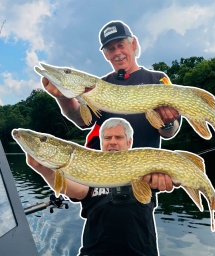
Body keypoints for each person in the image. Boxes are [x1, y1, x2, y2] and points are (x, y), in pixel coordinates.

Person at [28, 20, 181, 254]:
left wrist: (168, 120)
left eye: (121, 45)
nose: (117, 52)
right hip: (101, 183)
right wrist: (62, 96)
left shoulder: (157, 79)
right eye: (110, 49)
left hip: (144, 180)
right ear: (106, 54)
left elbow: (170, 132)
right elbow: (82, 120)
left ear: (134, 45)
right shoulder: (101, 86)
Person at [27, 117, 168, 255]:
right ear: (101, 142)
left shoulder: (146, 166)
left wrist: (168, 178)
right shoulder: (88, 169)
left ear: (129, 142)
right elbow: (78, 191)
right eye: (107, 138)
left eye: (118, 137)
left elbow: (170, 179)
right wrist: (45, 170)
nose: (112, 142)